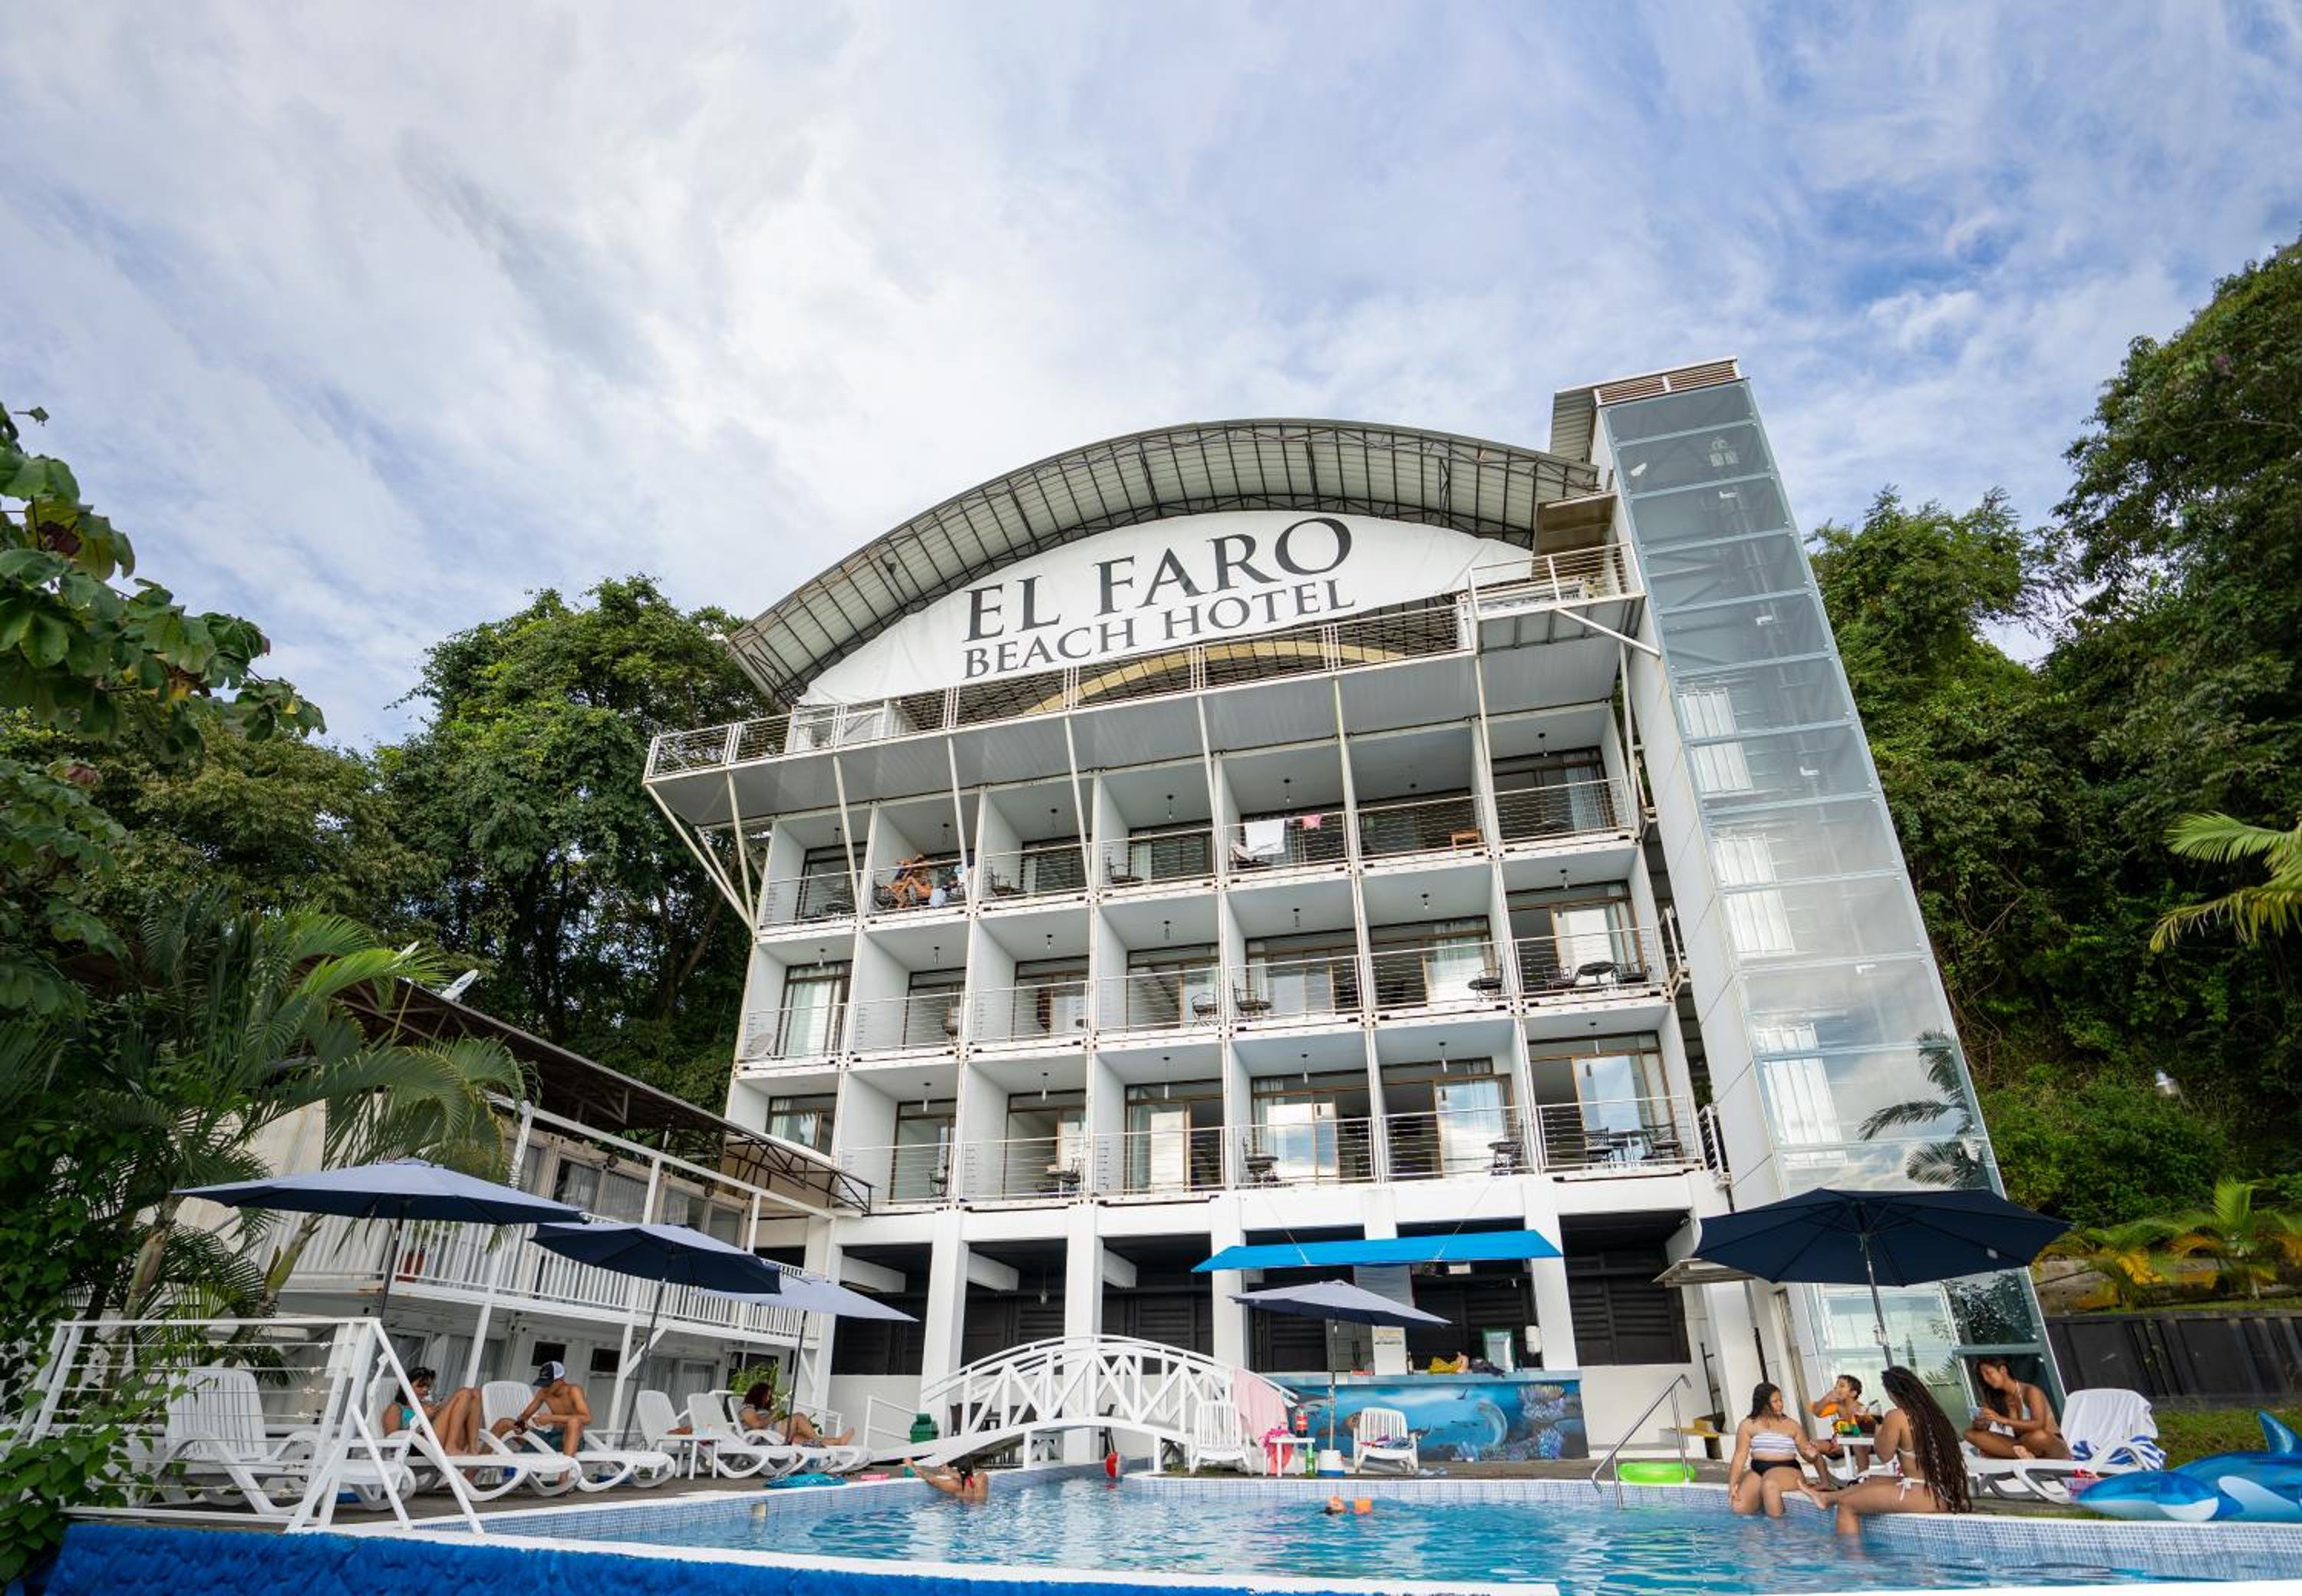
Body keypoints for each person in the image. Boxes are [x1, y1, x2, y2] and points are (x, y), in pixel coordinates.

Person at [1822, 1364, 1974, 1534]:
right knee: (1872, 1480)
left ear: (1892, 1392)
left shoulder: (1897, 1416)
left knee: (1846, 1505)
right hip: (1949, 1493)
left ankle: (1850, 1552)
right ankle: (1827, 1497)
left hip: (1923, 1495)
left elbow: (1884, 1455)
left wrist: (1878, 1428)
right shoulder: (1935, 1415)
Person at [1726, 1382, 1836, 1517]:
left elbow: (1806, 1454)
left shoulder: (1791, 1425)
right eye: (1775, 1401)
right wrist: (1732, 1485)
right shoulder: (1748, 1425)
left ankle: (1778, 1528)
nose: (1780, 1404)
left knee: (1770, 1485)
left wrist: (1812, 1455)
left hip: (1788, 1469)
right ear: (1763, 1404)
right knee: (1739, 1507)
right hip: (1759, 1469)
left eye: (1780, 1400)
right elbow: (1739, 1457)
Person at [1965, 1356, 2068, 1460]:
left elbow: (2038, 1425)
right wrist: (1980, 1424)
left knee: (2038, 1436)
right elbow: (1983, 1428)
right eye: (1982, 1376)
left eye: (1988, 1373)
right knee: (1970, 1434)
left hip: (2050, 1443)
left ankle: (2006, 1455)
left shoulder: (2030, 1391)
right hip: (2021, 1444)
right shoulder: (1994, 1398)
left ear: (2003, 1370)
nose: (1986, 1379)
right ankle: (2025, 1455)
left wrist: (2001, 1419)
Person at [493, 1359, 589, 1456]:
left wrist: (550, 1418)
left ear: (560, 1380)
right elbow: (524, 1416)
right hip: (549, 1436)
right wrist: (520, 1426)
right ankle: (483, 1462)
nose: (545, 1387)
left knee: (574, 1422)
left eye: (548, 1384)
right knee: (504, 1423)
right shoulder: (544, 1392)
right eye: (543, 1383)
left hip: (569, 1439)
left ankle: (566, 1466)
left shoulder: (573, 1390)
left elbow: (586, 1418)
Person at [381, 1366, 485, 1453]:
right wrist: (423, 1418)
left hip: (435, 1442)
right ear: (406, 1386)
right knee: (464, 1393)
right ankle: (451, 1446)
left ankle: (473, 1449)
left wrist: (440, 1413)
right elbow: (392, 1440)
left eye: (428, 1387)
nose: (425, 1390)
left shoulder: (427, 1405)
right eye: (420, 1386)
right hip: (418, 1447)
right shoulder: (396, 1409)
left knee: (476, 1394)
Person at [907, 1458, 988, 1499]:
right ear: (972, 1467)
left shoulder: (956, 1486)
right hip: (980, 1511)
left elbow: (932, 1480)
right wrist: (950, 1472)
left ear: (958, 1469)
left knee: (946, 1501)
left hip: (964, 1511)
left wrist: (912, 1466)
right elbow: (967, 1477)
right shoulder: (983, 1478)